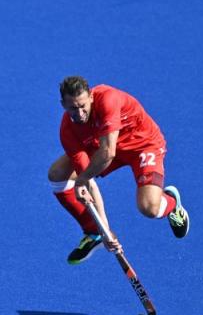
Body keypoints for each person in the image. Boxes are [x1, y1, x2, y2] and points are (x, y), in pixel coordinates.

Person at [48, 76, 189, 264]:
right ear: (63, 105)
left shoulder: (108, 99)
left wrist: (82, 180)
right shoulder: (67, 131)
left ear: (91, 97)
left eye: (83, 106)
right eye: (73, 108)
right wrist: (105, 230)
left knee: (149, 208)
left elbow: (107, 153)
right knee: (57, 174)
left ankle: (173, 203)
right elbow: (88, 182)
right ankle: (93, 233)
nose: (80, 113)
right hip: (103, 147)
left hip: (142, 144)